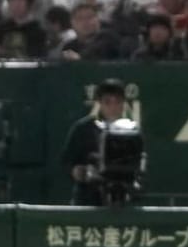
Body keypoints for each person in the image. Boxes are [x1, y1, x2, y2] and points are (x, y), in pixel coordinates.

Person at [59, 78, 143, 206]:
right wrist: (80, 172)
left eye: (118, 102)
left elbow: (140, 163)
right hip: (88, 198)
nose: (113, 107)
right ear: (99, 103)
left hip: (124, 199)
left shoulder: (132, 130)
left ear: (124, 103)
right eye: (108, 102)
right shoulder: (83, 128)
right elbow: (67, 162)